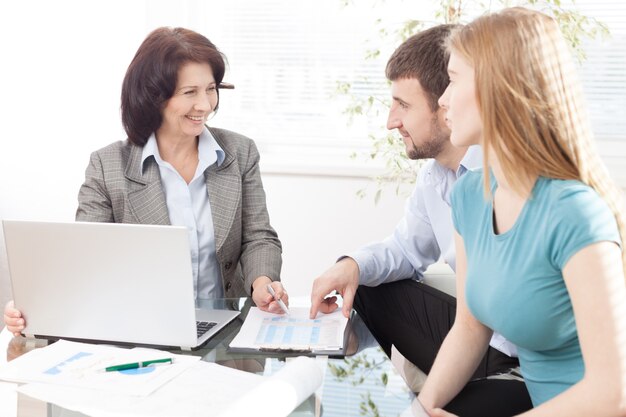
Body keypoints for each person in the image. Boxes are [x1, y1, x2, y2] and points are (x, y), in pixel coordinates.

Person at [4, 27, 288, 336]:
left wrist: (263, 283)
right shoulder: (107, 166)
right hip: (141, 333)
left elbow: (259, 237)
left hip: (227, 329)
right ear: (154, 97)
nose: (205, 105)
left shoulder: (239, 152)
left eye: (210, 89)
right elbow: (85, 263)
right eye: (189, 92)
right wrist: (32, 309)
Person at [310, 25, 532, 416]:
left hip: (523, 359)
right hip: (477, 335)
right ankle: (359, 385)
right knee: (364, 281)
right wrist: (351, 266)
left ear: (446, 105)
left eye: (404, 105)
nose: (391, 121)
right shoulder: (440, 178)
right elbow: (406, 251)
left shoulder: (513, 183)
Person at [419, 7, 626, 416]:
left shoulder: (575, 213)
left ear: (498, 89)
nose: (441, 100)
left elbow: (612, 393)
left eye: (453, 80)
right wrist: (421, 408)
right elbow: (469, 327)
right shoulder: (468, 198)